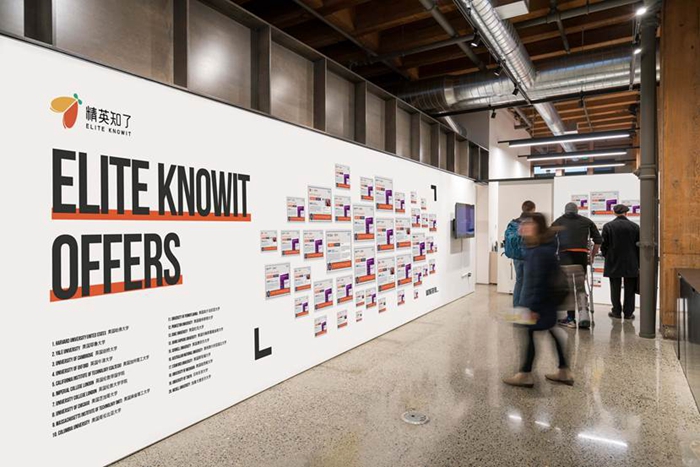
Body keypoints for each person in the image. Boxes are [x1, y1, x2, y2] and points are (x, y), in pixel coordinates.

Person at [503, 212, 574, 388]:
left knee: (529, 333)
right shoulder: (540, 246)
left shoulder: (539, 251)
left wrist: (531, 307)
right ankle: (563, 370)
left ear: (537, 227)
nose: (523, 227)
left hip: (539, 303)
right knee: (550, 331)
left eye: (528, 224)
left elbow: (537, 281)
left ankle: (525, 374)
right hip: (546, 301)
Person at [552, 202, 602, 328]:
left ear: (565, 211)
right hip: (581, 256)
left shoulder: (559, 221)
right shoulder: (587, 221)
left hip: (565, 256)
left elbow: (549, 239)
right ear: (577, 211)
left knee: (568, 287)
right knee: (580, 286)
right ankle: (584, 315)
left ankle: (570, 319)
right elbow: (598, 240)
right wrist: (592, 256)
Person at [601, 204, 640, 319]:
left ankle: (616, 312)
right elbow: (639, 246)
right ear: (626, 213)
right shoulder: (635, 227)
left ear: (614, 213)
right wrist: (638, 261)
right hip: (631, 261)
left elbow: (604, 245)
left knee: (615, 288)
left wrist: (607, 256)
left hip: (613, 261)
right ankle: (628, 313)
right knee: (630, 288)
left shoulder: (608, 226)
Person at [504, 200, 536, 307]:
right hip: (529, 256)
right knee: (528, 283)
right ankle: (525, 308)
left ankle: (517, 307)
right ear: (533, 209)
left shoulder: (513, 223)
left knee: (519, 281)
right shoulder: (532, 223)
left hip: (516, 256)